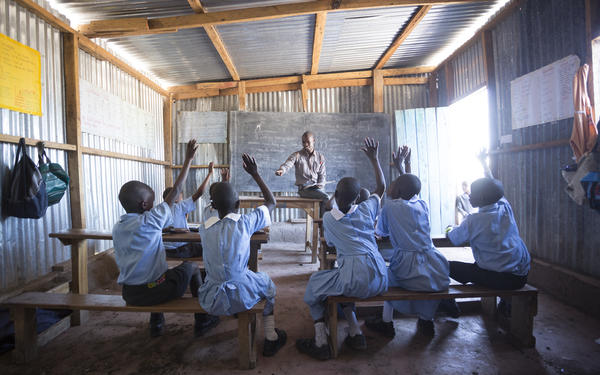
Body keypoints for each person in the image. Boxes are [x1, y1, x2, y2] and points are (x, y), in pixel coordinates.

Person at [113, 140, 219, 338]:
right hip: (154, 291)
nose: (156, 206)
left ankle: (156, 323)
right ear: (144, 205)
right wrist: (188, 159)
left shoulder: (118, 227)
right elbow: (176, 190)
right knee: (191, 267)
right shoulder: (150, 221)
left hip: (129, 293)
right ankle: (203, 319)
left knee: (159, 271)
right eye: (153, 203)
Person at [296, 138, 387, 360]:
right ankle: (355, 331)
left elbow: (329, 208)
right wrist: (374, 160)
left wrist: (335, 196)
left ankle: (320, 341)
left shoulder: (330, 219)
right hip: (380, 276)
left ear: (335, 194)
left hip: (355, 278)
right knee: (343, 281)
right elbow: (381, 188)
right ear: (358, 198)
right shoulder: (366, 210)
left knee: (315, 285)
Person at [197, 154, 287, 357]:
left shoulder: (205, 224)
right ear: (238, 204)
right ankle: (271, 336)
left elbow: (217, 206)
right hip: (241, 294)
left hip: (211, 298)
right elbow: (271, 202)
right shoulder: (245, 223)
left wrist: (223, 186)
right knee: (268, 286)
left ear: (213, 206)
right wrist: (255, 174)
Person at [365, 146, 451, 337]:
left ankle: (386, 322)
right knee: (427, 285)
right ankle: (426, 321)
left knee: (385, 279)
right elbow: (411, 189)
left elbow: (381, 232)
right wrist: (402, 167)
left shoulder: (390, 208)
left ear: (398, 190)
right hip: (435, 266)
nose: (390, 186)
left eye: (393, 183)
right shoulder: (422, 204)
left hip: (406, 266)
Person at [446, 150, 531, 315]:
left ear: (483, 197)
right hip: (520, 276)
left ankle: (445, 301)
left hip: (497, 278)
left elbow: (454, 239)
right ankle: (506, 302)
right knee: (489, 264)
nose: (469, 196)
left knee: (444, 265)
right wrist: (484, 164)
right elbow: (494, 187)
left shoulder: (474, 220)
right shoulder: (505, 207)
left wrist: (449, 229)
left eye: (473, 193)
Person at [162, 162, 215, 258]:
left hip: (164, 250)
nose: (182, 200)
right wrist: (209, 174)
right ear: (176, 198)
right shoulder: (178, 206)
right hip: (179, 250)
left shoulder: (160, 209)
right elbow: (199, 193)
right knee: (208, 246)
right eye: (181, 198)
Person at [275, 131, 328, 214]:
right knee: (326, 197)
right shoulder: (297, 155)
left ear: (313, 141)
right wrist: (282, 170)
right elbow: (288, 164)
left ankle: (322, 221)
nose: (306, 144)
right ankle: (322, 223)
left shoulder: (320, 157)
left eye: (308, 142)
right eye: (303, 142)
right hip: (304, 190)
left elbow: (322, 175)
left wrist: (320, 185)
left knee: (328, 200)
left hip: (317, 188)